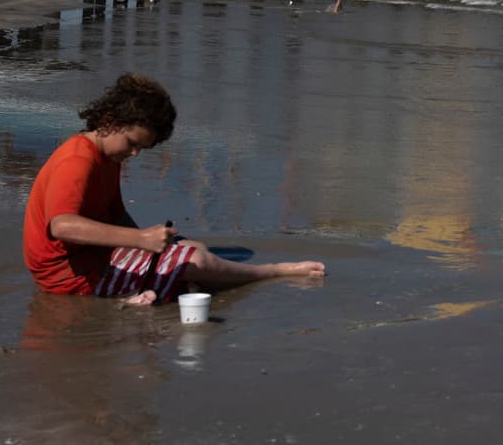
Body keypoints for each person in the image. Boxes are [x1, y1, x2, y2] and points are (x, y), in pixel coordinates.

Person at [23, 73, 326, 306]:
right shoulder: (77, 159)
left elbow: (115, 214)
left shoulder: (107, 157)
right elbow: (62, 225)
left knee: (193, 252)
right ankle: (273, 271)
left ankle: (150, 288)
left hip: (92, 258)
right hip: (68, 275)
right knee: (198, 262)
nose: (134, 155)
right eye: (132, 144)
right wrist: (140, 240)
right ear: (109, 121)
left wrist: (148, 246)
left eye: (142, 148)